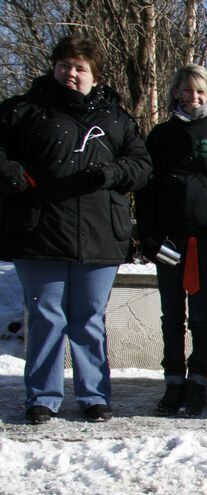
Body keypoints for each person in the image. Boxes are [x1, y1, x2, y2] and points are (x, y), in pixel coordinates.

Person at [0, 35, 151, 425]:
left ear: (95, 76)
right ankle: (43, 398)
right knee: (47, 316)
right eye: (65, 65)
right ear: (54, 67)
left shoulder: (116, 118)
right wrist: (10, 172)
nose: (71, 73)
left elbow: (141, 165)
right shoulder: (24, 110)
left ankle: (94, 396)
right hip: (40, 232)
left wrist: (113, 172)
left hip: (101, 235)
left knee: (88, 318)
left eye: (80, 68)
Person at [136, 63, 207, 417]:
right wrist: (149, 236)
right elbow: (146, 192)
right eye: (186, 90)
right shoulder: (160, 135)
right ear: (176, 93)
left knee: (200, 315)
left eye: (200, 91)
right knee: (172, 315)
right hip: (168, 241)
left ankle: (198, 381)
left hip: (206, 242)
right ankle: (173, 381)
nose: (193, 97)